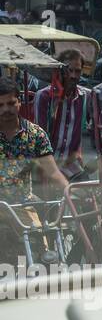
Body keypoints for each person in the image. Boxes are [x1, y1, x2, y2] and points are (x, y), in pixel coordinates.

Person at [0, 79, 70, 256]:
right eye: (0, 105)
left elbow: (53, 171)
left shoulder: (35, 134)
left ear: (19, 102)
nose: (6, 109)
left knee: (40, 250)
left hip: (21, 206)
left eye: (10, 103)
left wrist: (71, 192)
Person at [32, 49, 88, 180]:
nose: (74, 75)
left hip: (70, 163)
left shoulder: (84, 97)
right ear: (60, 70)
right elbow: (40, 137)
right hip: (46, 162)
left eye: (78, 71)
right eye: (70, 70)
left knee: (87, 193)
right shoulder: (44, 96)